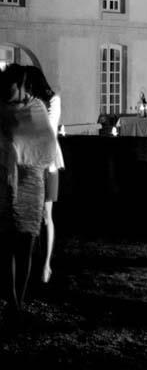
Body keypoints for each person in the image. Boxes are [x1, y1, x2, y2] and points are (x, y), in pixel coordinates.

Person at [0, 64, 58, 320]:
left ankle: (18, 301)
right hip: (7, 179)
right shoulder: (2, 110)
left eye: (14, 86)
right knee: (7, 244)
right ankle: (12, 299)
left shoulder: (37, 108)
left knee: (26, 244)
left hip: (33, 180)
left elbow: (48, 141)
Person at [23, 66, 64, 285]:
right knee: (39, 215)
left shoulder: (48, 102)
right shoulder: (39, 102)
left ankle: (45, 263)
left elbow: (47, 127)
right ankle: (39, 262)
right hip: (40, 161)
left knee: (46, 215)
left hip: (46, 162)